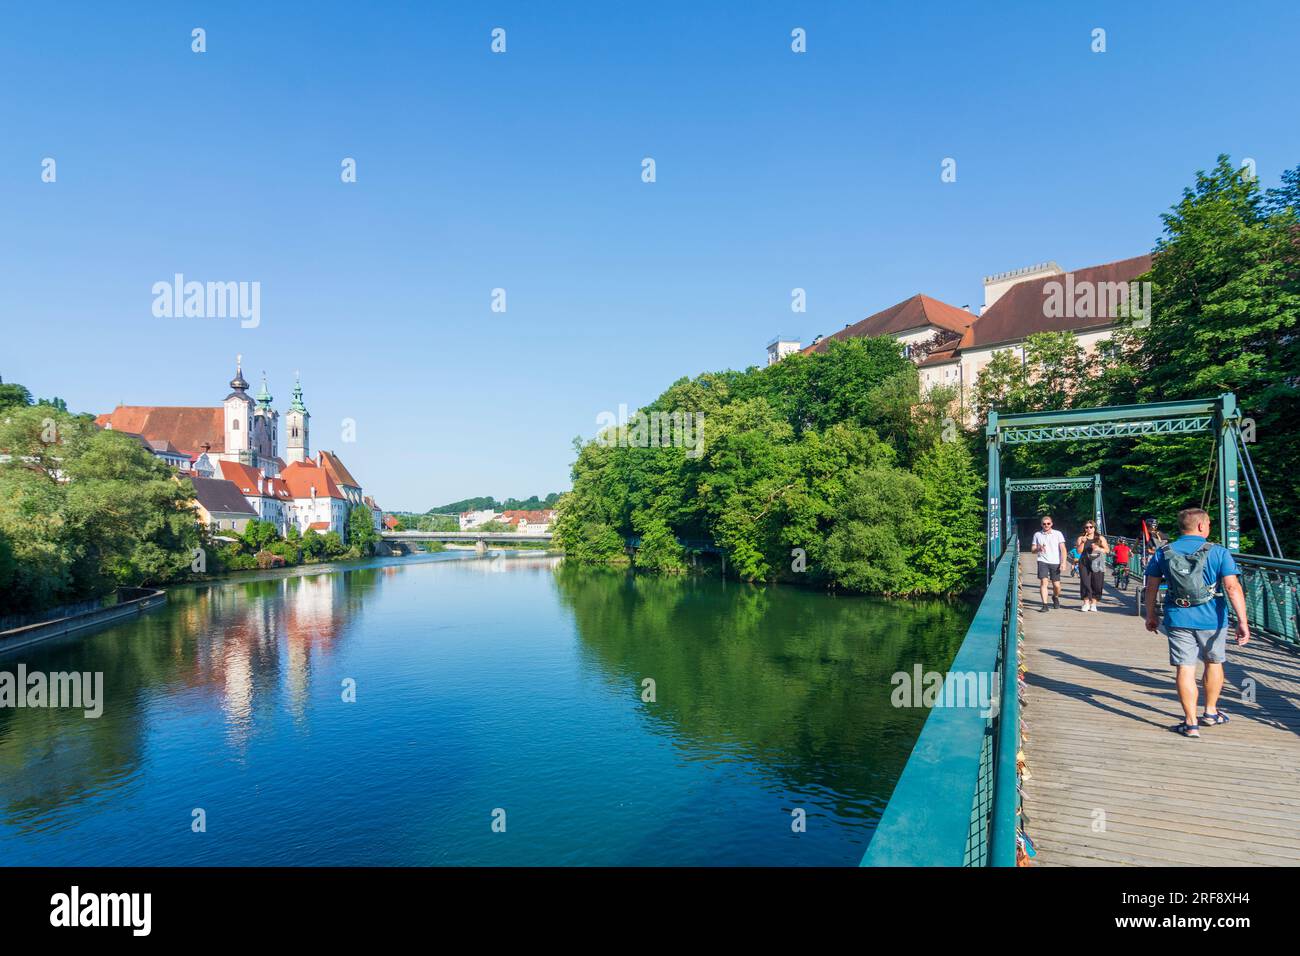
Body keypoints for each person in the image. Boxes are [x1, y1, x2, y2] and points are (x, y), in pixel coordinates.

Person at [1143, 507, 1251, 739]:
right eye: (1209, 523)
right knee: (1213, 662)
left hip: (1178, 616)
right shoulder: (1218, 552)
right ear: (1201, 526)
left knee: (1185, 667)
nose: (1210, 526)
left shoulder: (1164, 552)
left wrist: (1150, 614)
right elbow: (1232, 588)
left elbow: (1151, 586)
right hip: (1213, 617)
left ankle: (1191, 723)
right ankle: (1210, 712)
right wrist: (1243, 621)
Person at [1032, 515, 1068, 611]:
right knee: (1044, 582)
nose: (1046, 525)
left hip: (1055, 561)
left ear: (1051, 524)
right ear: (1041, 525)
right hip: (1042, 560)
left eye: (1048, 523)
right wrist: (1038, 548)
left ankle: (1055, 597)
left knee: (1056, 585)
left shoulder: (1058, 534)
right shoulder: (1037, 535)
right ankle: (1045, 605)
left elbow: (1063, 549)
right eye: (1044, 524)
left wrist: (1063, 562)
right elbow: (1032, 550)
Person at [1075, 521, 1109, 612]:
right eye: (1086, 527)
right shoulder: (1081, 538)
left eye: (1091, 527)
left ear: (1094, 528)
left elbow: (1107, 550)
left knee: (1097, 583)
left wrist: (1099, 549)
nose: (1089, 529)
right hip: (1084, 562)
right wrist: (1082, 542)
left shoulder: (1100, 538)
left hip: (1097, 562)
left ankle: (1093, 603)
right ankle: (1086, 603)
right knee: (1085, 582)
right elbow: (1078, 551)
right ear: (1084, 528)